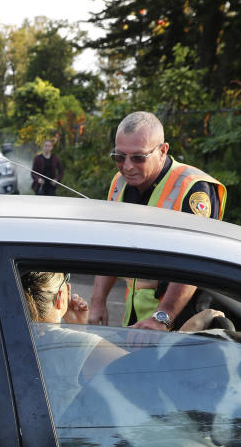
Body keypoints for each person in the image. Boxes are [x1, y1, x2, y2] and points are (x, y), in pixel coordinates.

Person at [89, 111, 227, 331]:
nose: (127, 167)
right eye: (119, 156)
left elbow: (194, 261)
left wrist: (162, 318)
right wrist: (97, 301)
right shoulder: (120, 183)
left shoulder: (193, 188)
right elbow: (111, 245)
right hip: (136, 323)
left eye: (138, 157)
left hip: (180, 326)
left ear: (162, 151)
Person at [22, 271, 223, 418]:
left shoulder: (17, 337)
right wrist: (191, 329)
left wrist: (77, 332)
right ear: (60, 297)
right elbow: (148, 381)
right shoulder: (73, 344)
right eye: (67, 279)